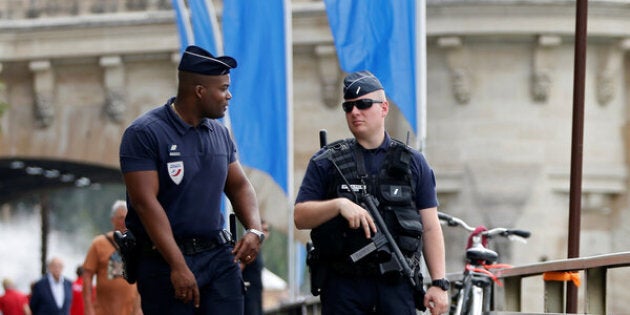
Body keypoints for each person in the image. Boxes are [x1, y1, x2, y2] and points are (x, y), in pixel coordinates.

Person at [119, 45, 263, 315]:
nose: (229, 95)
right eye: (223, 88)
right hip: (164, 260)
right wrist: (178, 266)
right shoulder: (144, 133)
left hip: (218, 258)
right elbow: (145, 203)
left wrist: (255, 229)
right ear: (200, 91)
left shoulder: (220, 134)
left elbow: (240, 185)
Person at [294, 70, 449, 315]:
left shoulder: (414, 163)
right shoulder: (326, 162)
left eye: (364, 104)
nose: (355, 112)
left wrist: (439, 283)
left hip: (396, 286)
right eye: (349, 107)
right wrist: (338, 205)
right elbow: (300, 216)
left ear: (384, 108)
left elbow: (430, 226)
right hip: (343, 288)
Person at [82, 200, 142, 315]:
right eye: (120, 217)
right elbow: (87, 276)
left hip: (132, 311)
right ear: (112, 220)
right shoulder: (99, 244)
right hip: (103, 311)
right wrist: (88, 307)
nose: (124, 221)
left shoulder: (137, 244)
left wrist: (140, 308)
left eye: (126, 217)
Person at [240, 220, 269, 315]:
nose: (265, 233)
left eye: (267, 230)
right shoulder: (250, 249)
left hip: (257, 295)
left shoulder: (257, 250)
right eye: (263, 230)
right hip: (248, 296)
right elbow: (238, 268)